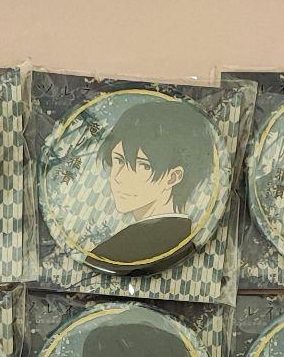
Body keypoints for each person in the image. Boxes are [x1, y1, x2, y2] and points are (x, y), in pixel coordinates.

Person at [85, 99, 215, 274]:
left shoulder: (116, 251)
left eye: (143, 165)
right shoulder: (183, 233)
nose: (118, 177)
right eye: (119, 160)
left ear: (173, 177)